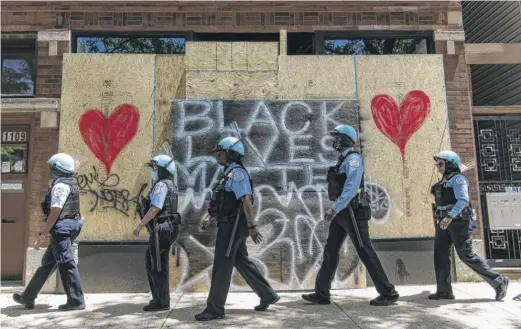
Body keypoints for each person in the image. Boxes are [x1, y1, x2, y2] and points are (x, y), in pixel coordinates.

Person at [302, 124, 399, 306]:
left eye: (338, 137)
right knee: (330, 250)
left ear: (347, 139)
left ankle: (389, 293)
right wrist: (337, 209)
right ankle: (322, 293)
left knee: (365, 250)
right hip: (342, 212)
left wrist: (335, 208)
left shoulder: (353, 159)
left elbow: (352, 188)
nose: (335, 141)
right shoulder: (342, 160)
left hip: (352, 211)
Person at [195, 137, 279, 321]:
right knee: (240, 260)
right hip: (229, 223)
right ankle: (267, 294)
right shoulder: (228, 173)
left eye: (221, 152)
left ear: (231, 154)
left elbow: (246, 200)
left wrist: (252, 226)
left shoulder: (238, 174)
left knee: (222, 265)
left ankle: (215, 308)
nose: (218, 155)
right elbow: (225, 202)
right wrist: (210, 217)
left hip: (233, 226)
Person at [430, 150, 509, 301]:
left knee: (466, 254)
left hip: (457, 222)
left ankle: (499, 281)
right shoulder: (444, 181)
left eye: (441, 163)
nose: (438, 167)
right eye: (437, 164)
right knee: (440, 255)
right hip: (442, 222)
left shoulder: (458, 179)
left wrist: (449, 216)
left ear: (450, 164)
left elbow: (463, 200)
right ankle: (444, 291)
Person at [13, 153, 85, 311]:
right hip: (71, 225)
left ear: (58, 169)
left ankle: (76, 300)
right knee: (49, 263)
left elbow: (55, 211)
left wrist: (44, 233)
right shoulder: (71, 182)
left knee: (67, 264)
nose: (50, 170)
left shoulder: (60, 186)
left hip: (62, 229)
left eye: (52, 168)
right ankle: (28, 297)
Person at [134, 155, 181, 312]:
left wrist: (140, 225)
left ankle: (162, 302)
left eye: (155, 168)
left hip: (162, 227)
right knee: (151, 260)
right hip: (166, 226)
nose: (153, 171)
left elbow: (155, 208)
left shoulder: (161, 185)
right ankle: (158, 297)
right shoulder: (170, 184)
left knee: (158, 264)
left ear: (162, 170)